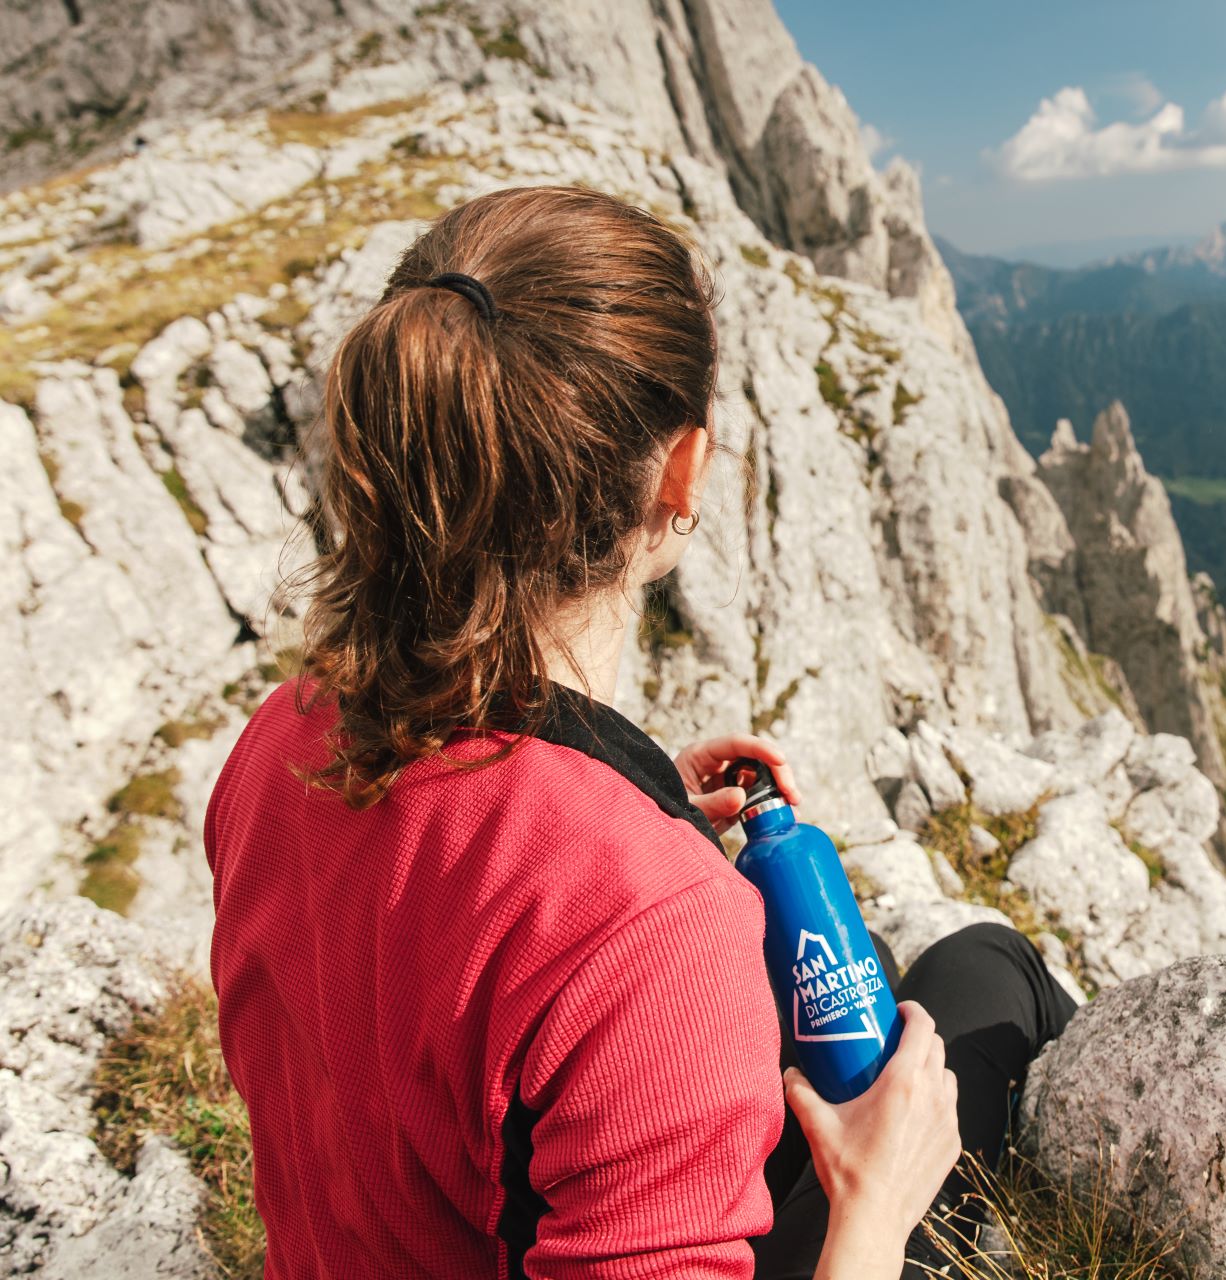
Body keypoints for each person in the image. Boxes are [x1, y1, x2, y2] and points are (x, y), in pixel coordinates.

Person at [205, 185, 1078, 1280]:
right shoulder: (650, 923)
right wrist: (875, 1200)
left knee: (941, 965)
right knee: (996, 971)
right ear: (683, 472)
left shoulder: (276, 741)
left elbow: (429, 912)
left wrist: (633, 800)